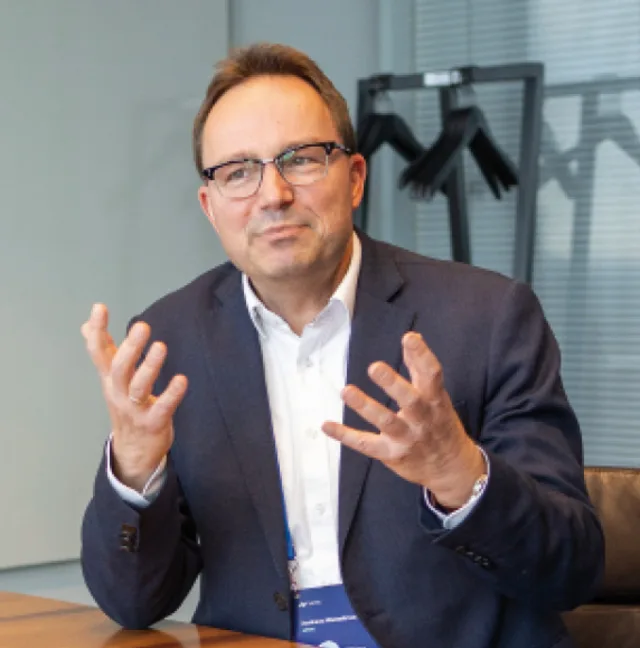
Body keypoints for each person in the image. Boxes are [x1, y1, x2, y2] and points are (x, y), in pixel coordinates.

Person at [80, 43, 604, 648]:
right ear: (210, 206)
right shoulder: (169, 341)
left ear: (354, 179)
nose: (272, 195)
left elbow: (572, 570)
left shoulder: (487, 317)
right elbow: (132, 603)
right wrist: (135, 466)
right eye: (238, 172)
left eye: (300, 160)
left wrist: (460, 475)